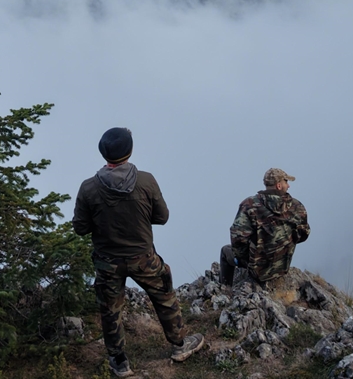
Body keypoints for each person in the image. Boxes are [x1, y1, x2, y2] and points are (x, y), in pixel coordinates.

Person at [73, 127, 205, 377]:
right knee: (164, 297)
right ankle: (179, 345)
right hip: (144, 257)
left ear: (103, 154)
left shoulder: (88, 188)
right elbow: (162, 217)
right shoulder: (146, 180)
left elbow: (80, 228)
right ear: (130, 151)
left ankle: (120, 362)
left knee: (110, 310)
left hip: (107, 261)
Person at [220, 167, 311, 287]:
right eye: (286, 182)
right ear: (279, 185)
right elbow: (303, 234)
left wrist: (248, 259)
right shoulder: (297, 206)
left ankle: (225, 289)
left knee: (225, 251)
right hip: (281, 269)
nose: (288, 186)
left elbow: (238, 238)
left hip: (256, 271)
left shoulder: (249, 205)